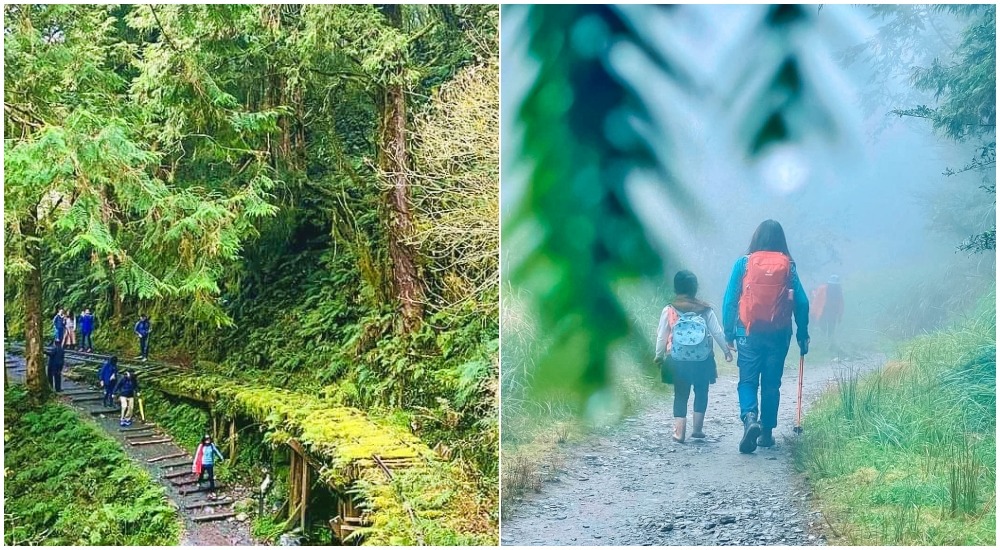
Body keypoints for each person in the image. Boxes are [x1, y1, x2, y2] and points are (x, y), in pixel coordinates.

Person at [722, 220, 809, 454]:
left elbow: (730, 300)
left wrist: (729, 332)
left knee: (748, 381)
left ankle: (750, 418)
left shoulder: (743, 264)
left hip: (748, 333)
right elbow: (802, 302)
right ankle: (767, 433)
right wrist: (803, 333)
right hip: (779, 335)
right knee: (771, 383)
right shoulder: (788, 266)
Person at [655, 270, 733, 443]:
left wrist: (659, 356)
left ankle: (679, 432)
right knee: (701, 391)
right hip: (702, 359)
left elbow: (662, 335)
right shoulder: (705, 309)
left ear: (676, 288)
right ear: (695, 288)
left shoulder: (669, 309)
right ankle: (697, 429)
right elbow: (717, 332)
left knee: (680, 394)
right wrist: (727, 351)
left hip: (677, 359)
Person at [810, 275, 844, 349]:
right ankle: (823, 342)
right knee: (823, 327)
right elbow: (816, 301)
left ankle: (830, 342)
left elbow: (841, 303)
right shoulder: (822, 289)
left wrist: (840, 316)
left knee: (831, 328)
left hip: (833, 312)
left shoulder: (839, 291)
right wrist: (814, 312)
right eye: (832, 285)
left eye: (835, 285)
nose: (833, 286)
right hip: (823, 311)